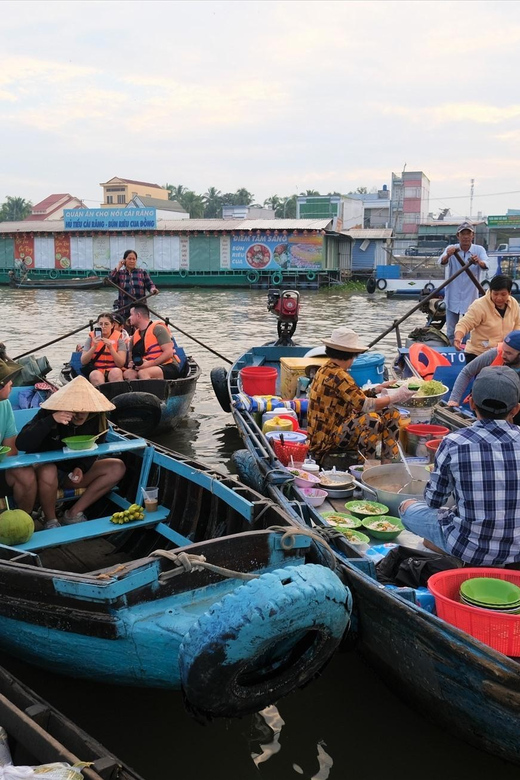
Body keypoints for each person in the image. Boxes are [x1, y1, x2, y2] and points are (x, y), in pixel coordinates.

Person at [400, 366, 520, 566]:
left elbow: (433, 501)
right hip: (516, 553)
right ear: (515, 409)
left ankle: (446, 551)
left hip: (469, 549)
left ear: (471, 402)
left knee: (407, 508)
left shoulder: (454, 442)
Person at [16, 376, 125, 530]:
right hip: (44, 474)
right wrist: (51, 420)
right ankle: (50, 519)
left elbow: (96, 447)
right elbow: (22, 443)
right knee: (49, 470)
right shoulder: (48, 413)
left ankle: (73, 513)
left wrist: (82, 467)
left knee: (117, 467)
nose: (80, 414)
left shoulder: (98, 418)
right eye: (74, 409)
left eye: (85, 410)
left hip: (72, 473)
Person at [307, 327, 415, 465]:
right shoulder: (340, 375)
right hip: (326, 439)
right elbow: (364, 405)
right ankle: (367, 466)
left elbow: (353, 398)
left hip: (339, 426)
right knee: (372, 419)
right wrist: (395, 397)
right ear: (351, 355)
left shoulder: (327, 368)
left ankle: (388, 462)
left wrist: (376, 389)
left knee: (392, 413)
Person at [438, 221, 489, 345]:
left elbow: (486, 265)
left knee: (468, 331)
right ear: (458, 236)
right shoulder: (452, 248)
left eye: (468, 234)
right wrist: (448, 255)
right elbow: (441, 262)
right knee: (451, 330)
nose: (466, 236)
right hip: (452, 296)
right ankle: (453, 350)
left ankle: (467, 354)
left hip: (470, 296)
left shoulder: (479, 250)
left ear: (472, 236)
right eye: (463, 234)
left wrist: (478, 261)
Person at [453, 275, 520, 362]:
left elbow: (518, 325)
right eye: (495, 294)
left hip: (504, 354)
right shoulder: (479, 305)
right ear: (490, 291)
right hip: (478, 353)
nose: (499, 298)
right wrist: (458, 338)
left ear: (509, 293)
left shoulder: (514, 304)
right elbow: (465, 323)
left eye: (503, 294)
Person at [448, 329, 520, 410]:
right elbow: (466, 372)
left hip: (512, 408)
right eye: (503, 350)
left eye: (509, 353)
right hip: (485, 405)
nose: (503, 355)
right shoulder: (495, 353)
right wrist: (454, 399)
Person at [0, 359, 37, 515]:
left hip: (2, 466)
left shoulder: (5, 404)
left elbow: (11, 449)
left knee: (26, 474)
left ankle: (23, 519)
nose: (12, 385)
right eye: (8, 381)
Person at [123, 304, 182, 380]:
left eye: (131, 315)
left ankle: (153, 391)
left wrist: (150, 364)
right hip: (145, 366)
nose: (129, 318)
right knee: (128, 373)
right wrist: (132, 363)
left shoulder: (158, 329)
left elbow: (169, 352)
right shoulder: (134, 337)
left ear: (138, 315)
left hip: (167, 365)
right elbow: (131, 358)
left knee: (143, 372)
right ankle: (136, 391)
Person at [80, 312, 127, 386]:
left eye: (106, 324)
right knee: (95, 374)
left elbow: (121, 363)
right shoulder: (91, 338)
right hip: (97, 370)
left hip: (113, 369)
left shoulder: (119, 340)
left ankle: (116, 394)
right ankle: (101, 395)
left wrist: (111, 348)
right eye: (101, 324)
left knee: (116, 372)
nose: (103, 326)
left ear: (112, 325)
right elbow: (83, 361)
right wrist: (94, 347)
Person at [109, 249, 158, 315]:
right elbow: (110, 280)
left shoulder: (142, 272)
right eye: (129, 259)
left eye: (134, 259)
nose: (132, 261)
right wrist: (119, 266)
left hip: (139, 310)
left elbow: (150, 285)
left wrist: (153, 290)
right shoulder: (120, 273)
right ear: (124, 260)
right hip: (124, 310)